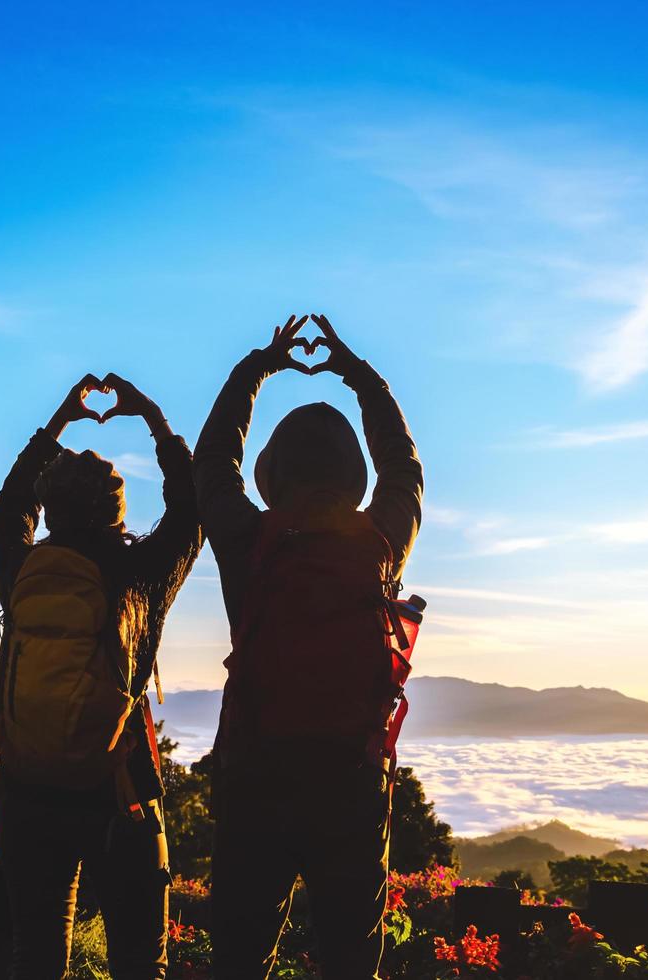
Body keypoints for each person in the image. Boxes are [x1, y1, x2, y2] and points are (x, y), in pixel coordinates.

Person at [194, 314, 423, 980]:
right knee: (351, 960)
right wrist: (359, 374)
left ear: (276, 474)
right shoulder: (383, 540)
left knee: (240, 957)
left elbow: (212, 461)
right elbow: (402, 462)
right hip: (352, 779)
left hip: (255, 774)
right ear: (351, 474)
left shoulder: (249, 540)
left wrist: (257, 368)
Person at [0, 372, 202, 980]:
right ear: (117, 508)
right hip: (119, 793)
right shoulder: (139, 576)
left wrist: (57, 424)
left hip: (27, 792)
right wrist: (155, 421)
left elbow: (7, 512)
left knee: (37, 959)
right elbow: (191, 510)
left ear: (50, 507)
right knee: (139, 964)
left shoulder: (22, 567)